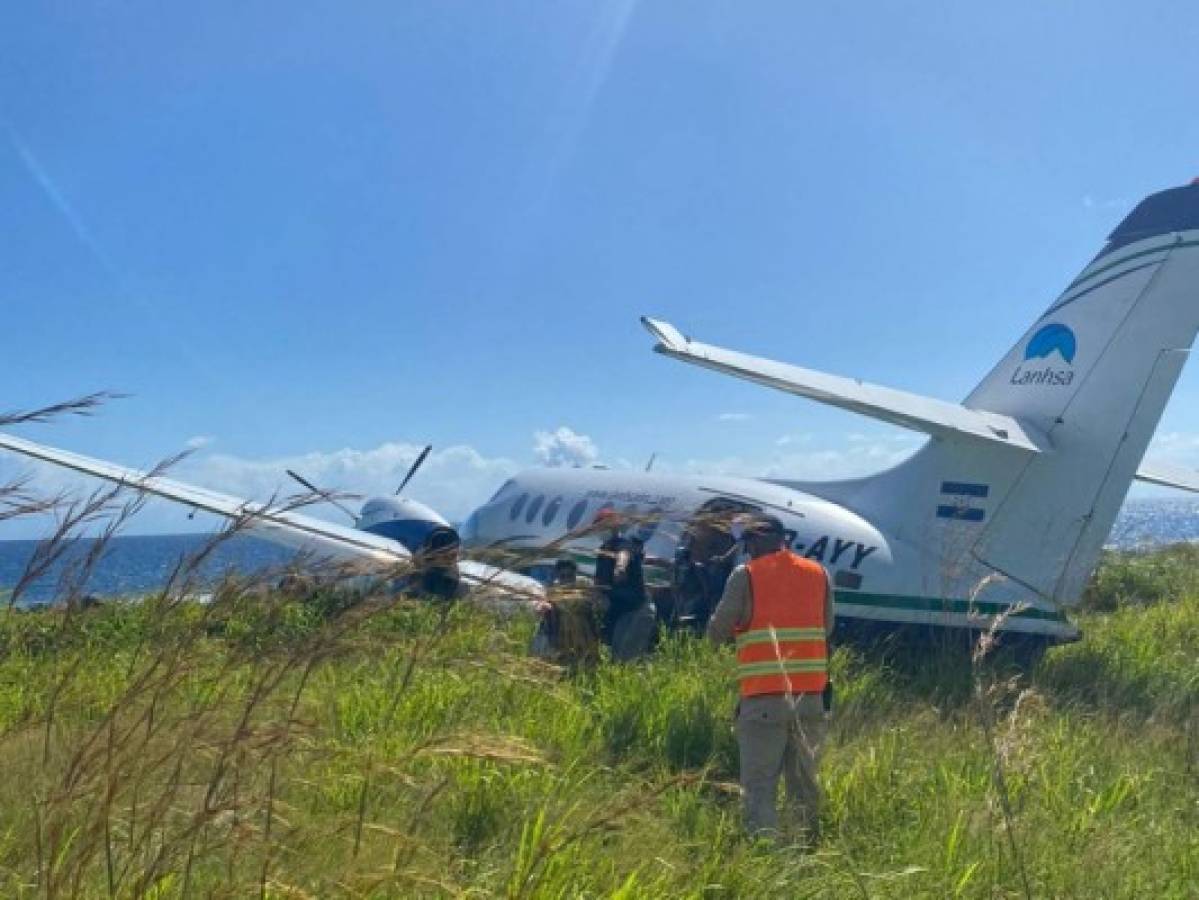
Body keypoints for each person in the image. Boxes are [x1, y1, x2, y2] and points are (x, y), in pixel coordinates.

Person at [707, 514, 835, 841]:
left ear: (756, 540)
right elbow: (826, 628)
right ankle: (804, 849)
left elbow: (717, 633)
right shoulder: (818, 574)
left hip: (764, 699)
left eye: (747, 544)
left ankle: (764, 855)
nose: (746, 552)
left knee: (760, 785)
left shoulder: (745, 575)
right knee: (803, 783)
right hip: (812, 699)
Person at [593, 510, 656, 661]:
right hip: (619, 611)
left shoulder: (622, 544)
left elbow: (624, 554)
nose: (600, 531)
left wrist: (620, 567)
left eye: (604, 526)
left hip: (636, 610)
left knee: (626, 656)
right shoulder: (603, 550)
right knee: (614, 653)